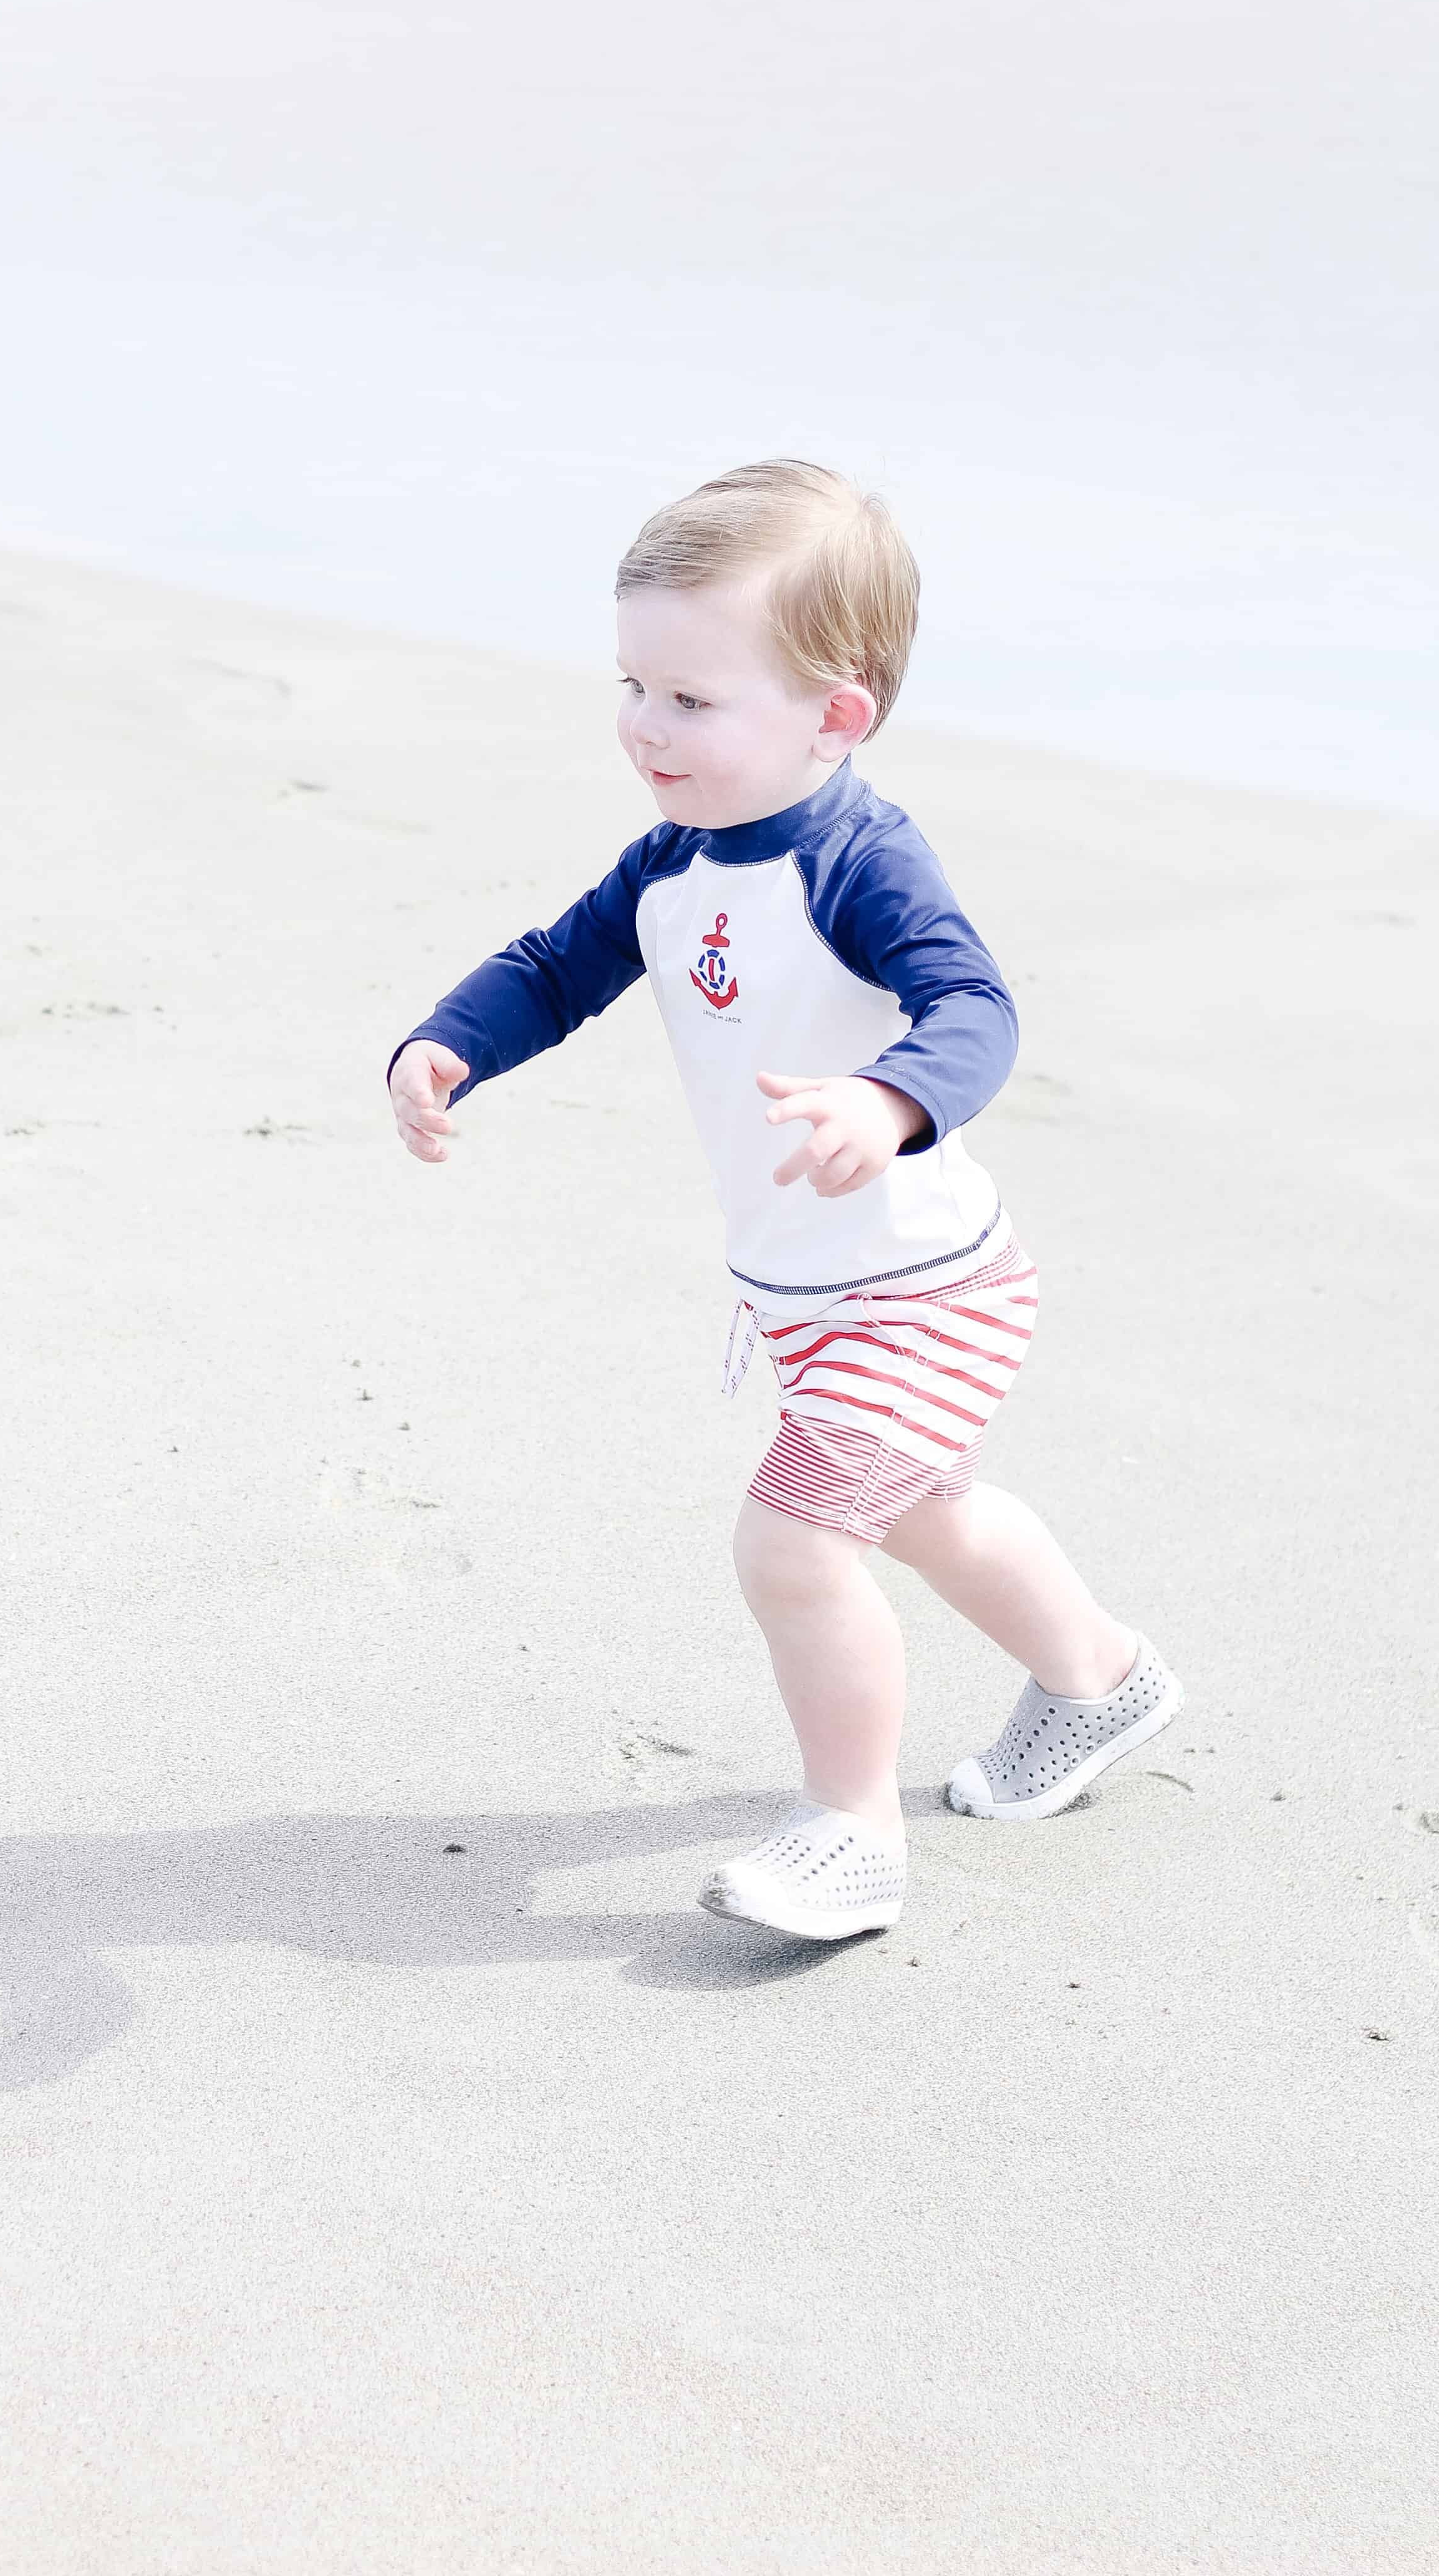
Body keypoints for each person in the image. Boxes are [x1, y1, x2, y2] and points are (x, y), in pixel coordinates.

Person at [385, 461, 1180, 1942]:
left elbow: (975, 1005)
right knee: (926, 1514)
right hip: (805, 1292)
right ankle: (1103, 1681)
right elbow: (556, 966)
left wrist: (887, 1100)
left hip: (923, 1282)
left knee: (796, 1541)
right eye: (634, 683)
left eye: (693, 701)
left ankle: (851, 1833)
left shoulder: (859, 859)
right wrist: (446, 1044)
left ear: (836, 716)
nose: (644, 725)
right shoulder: (675, 863)